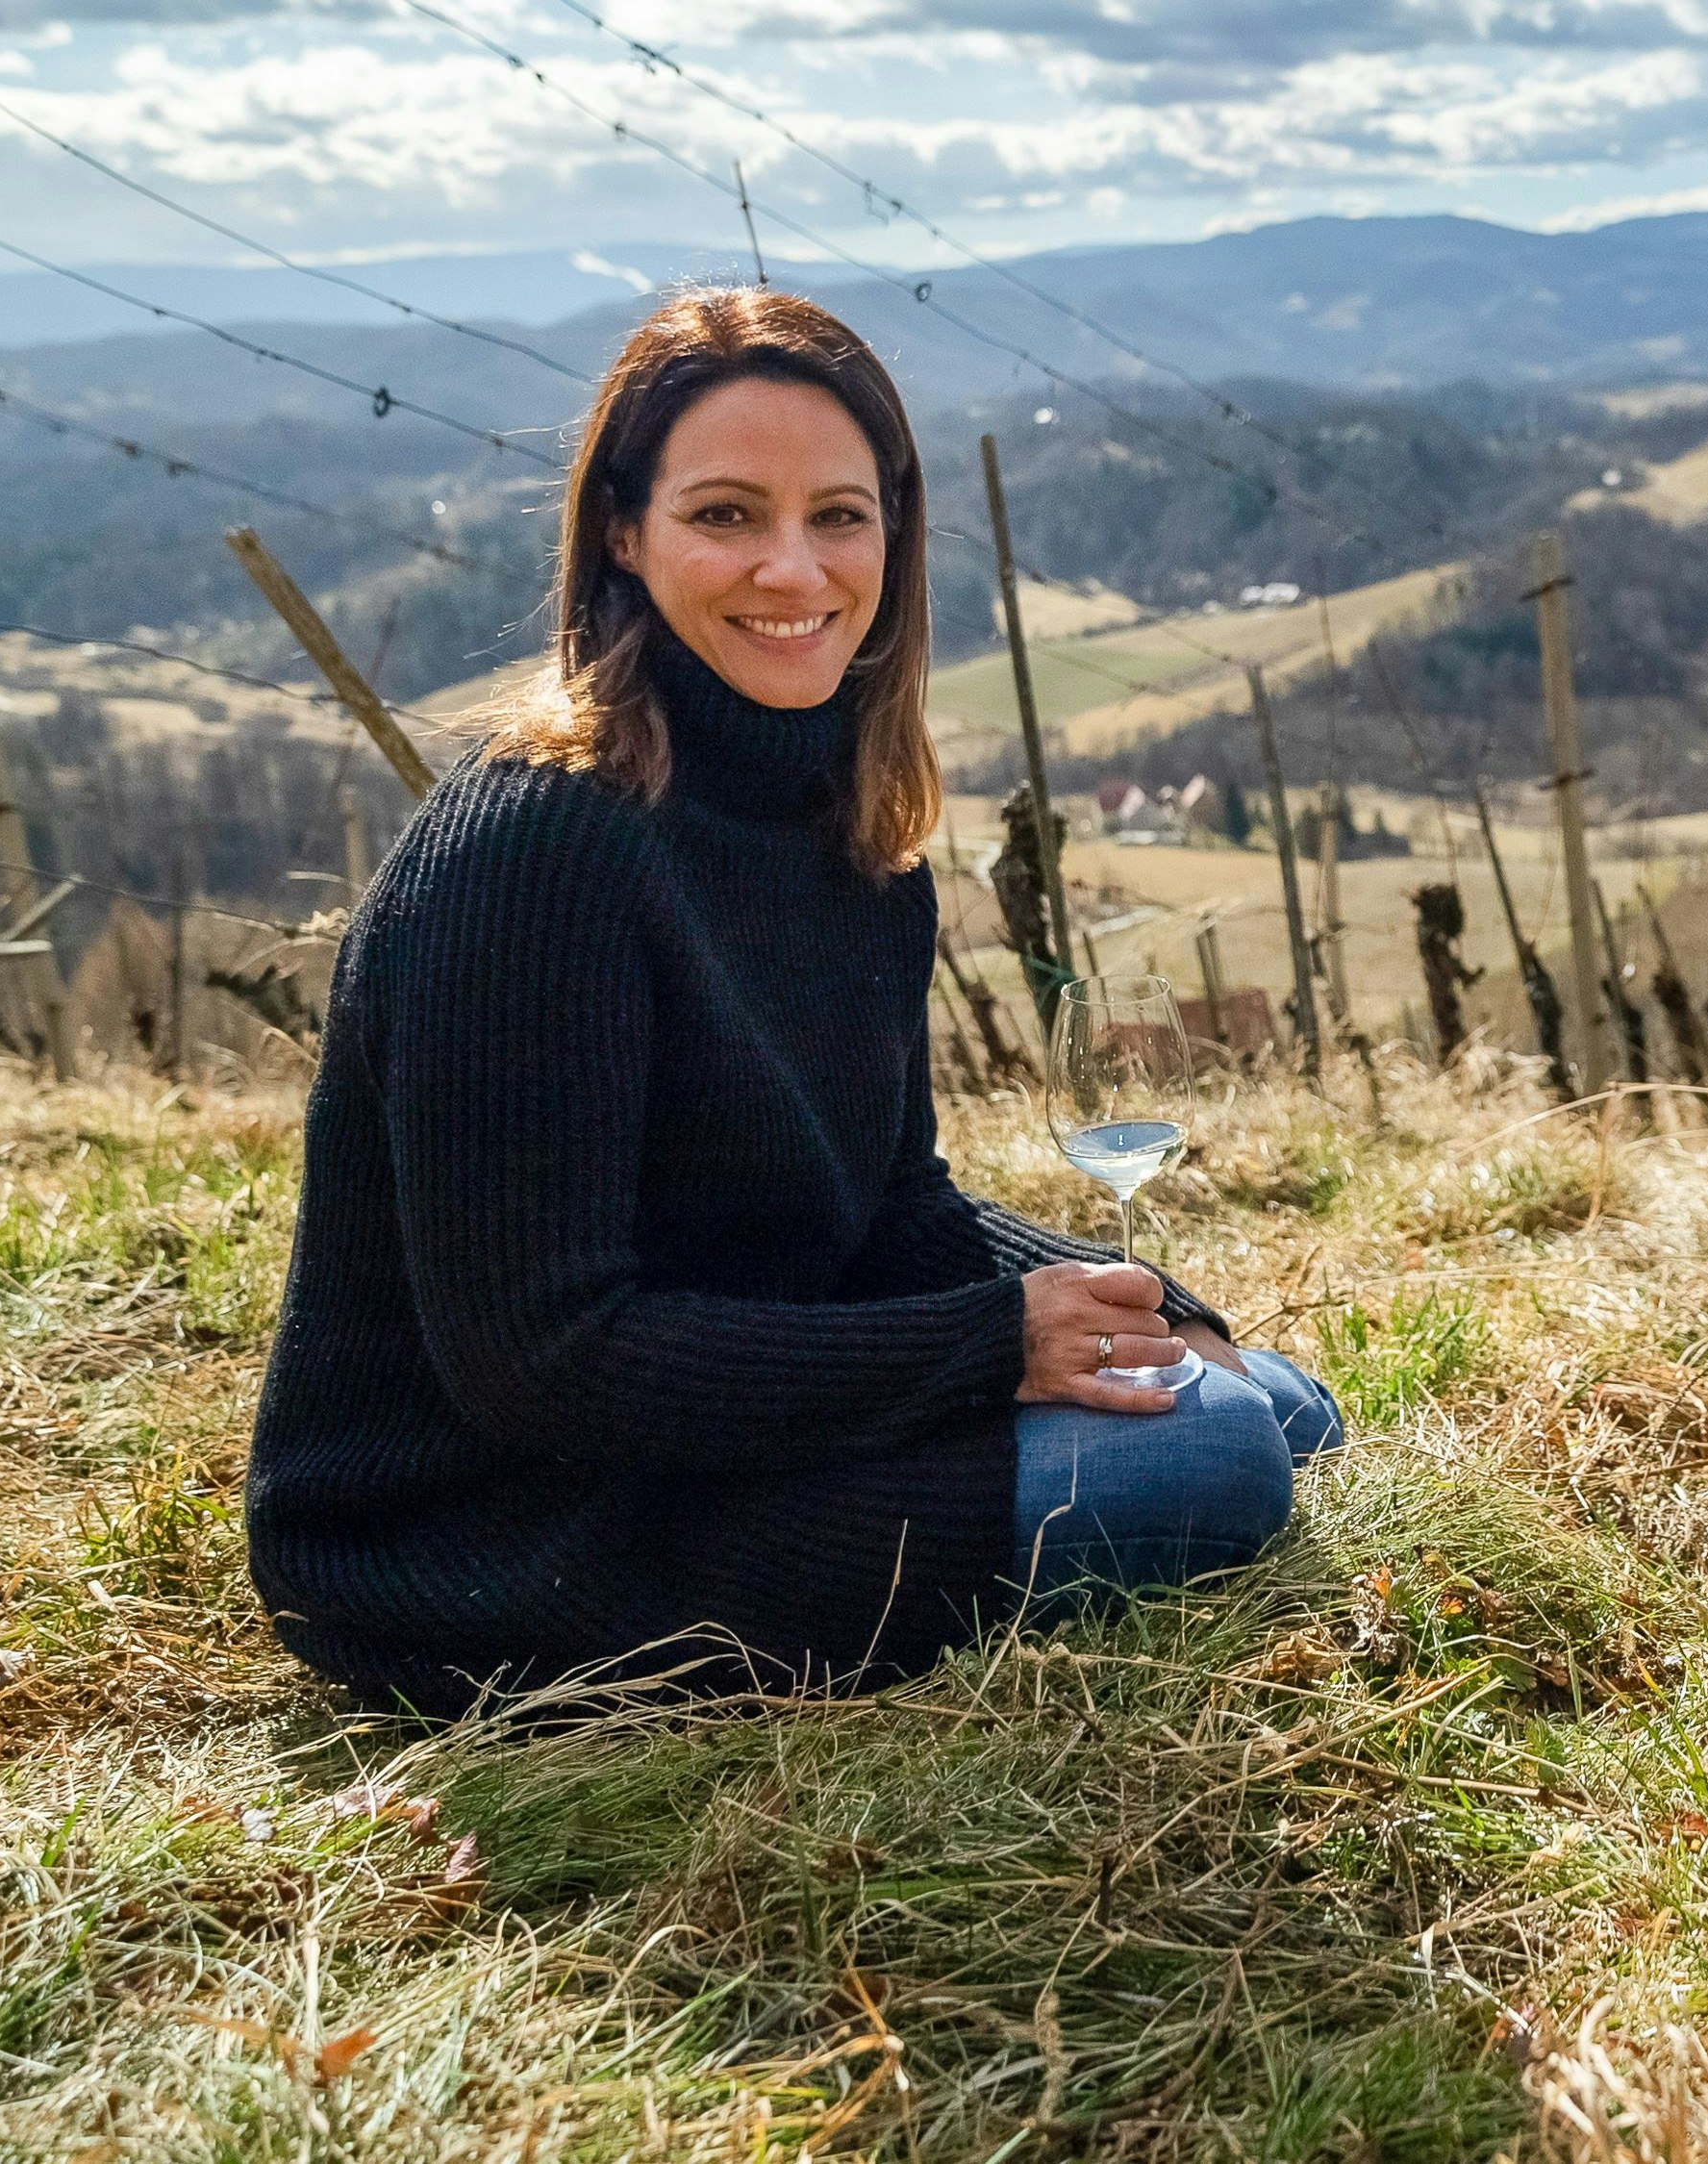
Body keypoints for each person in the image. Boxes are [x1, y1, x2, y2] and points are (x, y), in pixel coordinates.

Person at [247, 289, 1339, 1716]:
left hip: (713, 1432)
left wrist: (1150, 1305)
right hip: (490, 1536)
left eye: (839, 516)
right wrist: (995, 1346)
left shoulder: (852, 842)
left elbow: (891, 1209)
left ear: (894, 536)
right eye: (726, 515)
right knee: (1224, 1452)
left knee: (1281, 1401)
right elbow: (542, 1360)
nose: (792, 568)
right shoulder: (537, 847)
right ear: (622, 533)